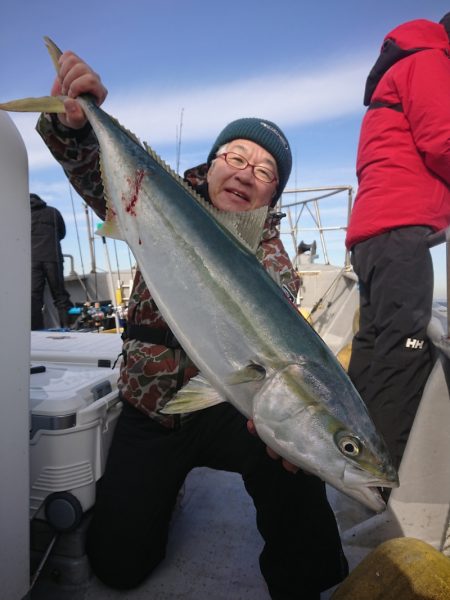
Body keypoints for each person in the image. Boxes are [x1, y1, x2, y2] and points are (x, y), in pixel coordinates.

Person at [36, 49, 348, 600]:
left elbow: (273, 328)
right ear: (212, 163)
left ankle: (308, 585)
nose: (247, 172)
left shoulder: (272, 258)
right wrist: (74, 126)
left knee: (296, 462)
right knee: (118, 565)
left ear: (271, 195)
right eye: (236, 155)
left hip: (225, 408)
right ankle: (164, 495)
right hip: (151, 407)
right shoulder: (152, 200)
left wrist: (291, 432)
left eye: (265, 170)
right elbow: (90, 170)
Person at [345, 14, 450, 472]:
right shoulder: (428, 60)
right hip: (399, 231)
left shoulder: (401, 65)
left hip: (374, 232)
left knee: (374, 345)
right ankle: (379, 476)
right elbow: (443, 140)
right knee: (403, 351)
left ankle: (347, 453)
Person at [30, 192, 72, 329]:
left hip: (32, 260)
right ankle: (66, 327)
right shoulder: (53, 212)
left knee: (34, 297)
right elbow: (62, 233)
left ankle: (35, 330)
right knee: (60, 295)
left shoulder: (21, 214)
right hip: (53, 258)